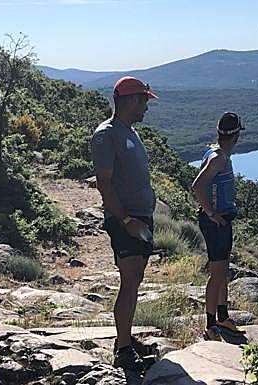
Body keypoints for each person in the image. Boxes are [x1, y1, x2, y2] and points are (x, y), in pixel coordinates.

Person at [91, 76, 158, 372]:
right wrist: (127, 220)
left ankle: (126, 340)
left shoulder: (129, 132)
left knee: (136, 278)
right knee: (129, 278)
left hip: (140, 216)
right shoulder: (107, 134)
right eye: (144, 100)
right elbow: (103, 183)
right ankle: (122, 348)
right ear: (131, 100)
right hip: (126, 218)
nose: (147, 106)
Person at [192, 112, 246, 341]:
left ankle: (223, 317)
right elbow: (198, 184)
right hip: (216, 222)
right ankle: (211, 324)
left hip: (221, 220)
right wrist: (211, 213)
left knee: (223, 269)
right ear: (236, 136)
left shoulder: (216, 152)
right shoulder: (219, 158)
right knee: (216, 274)